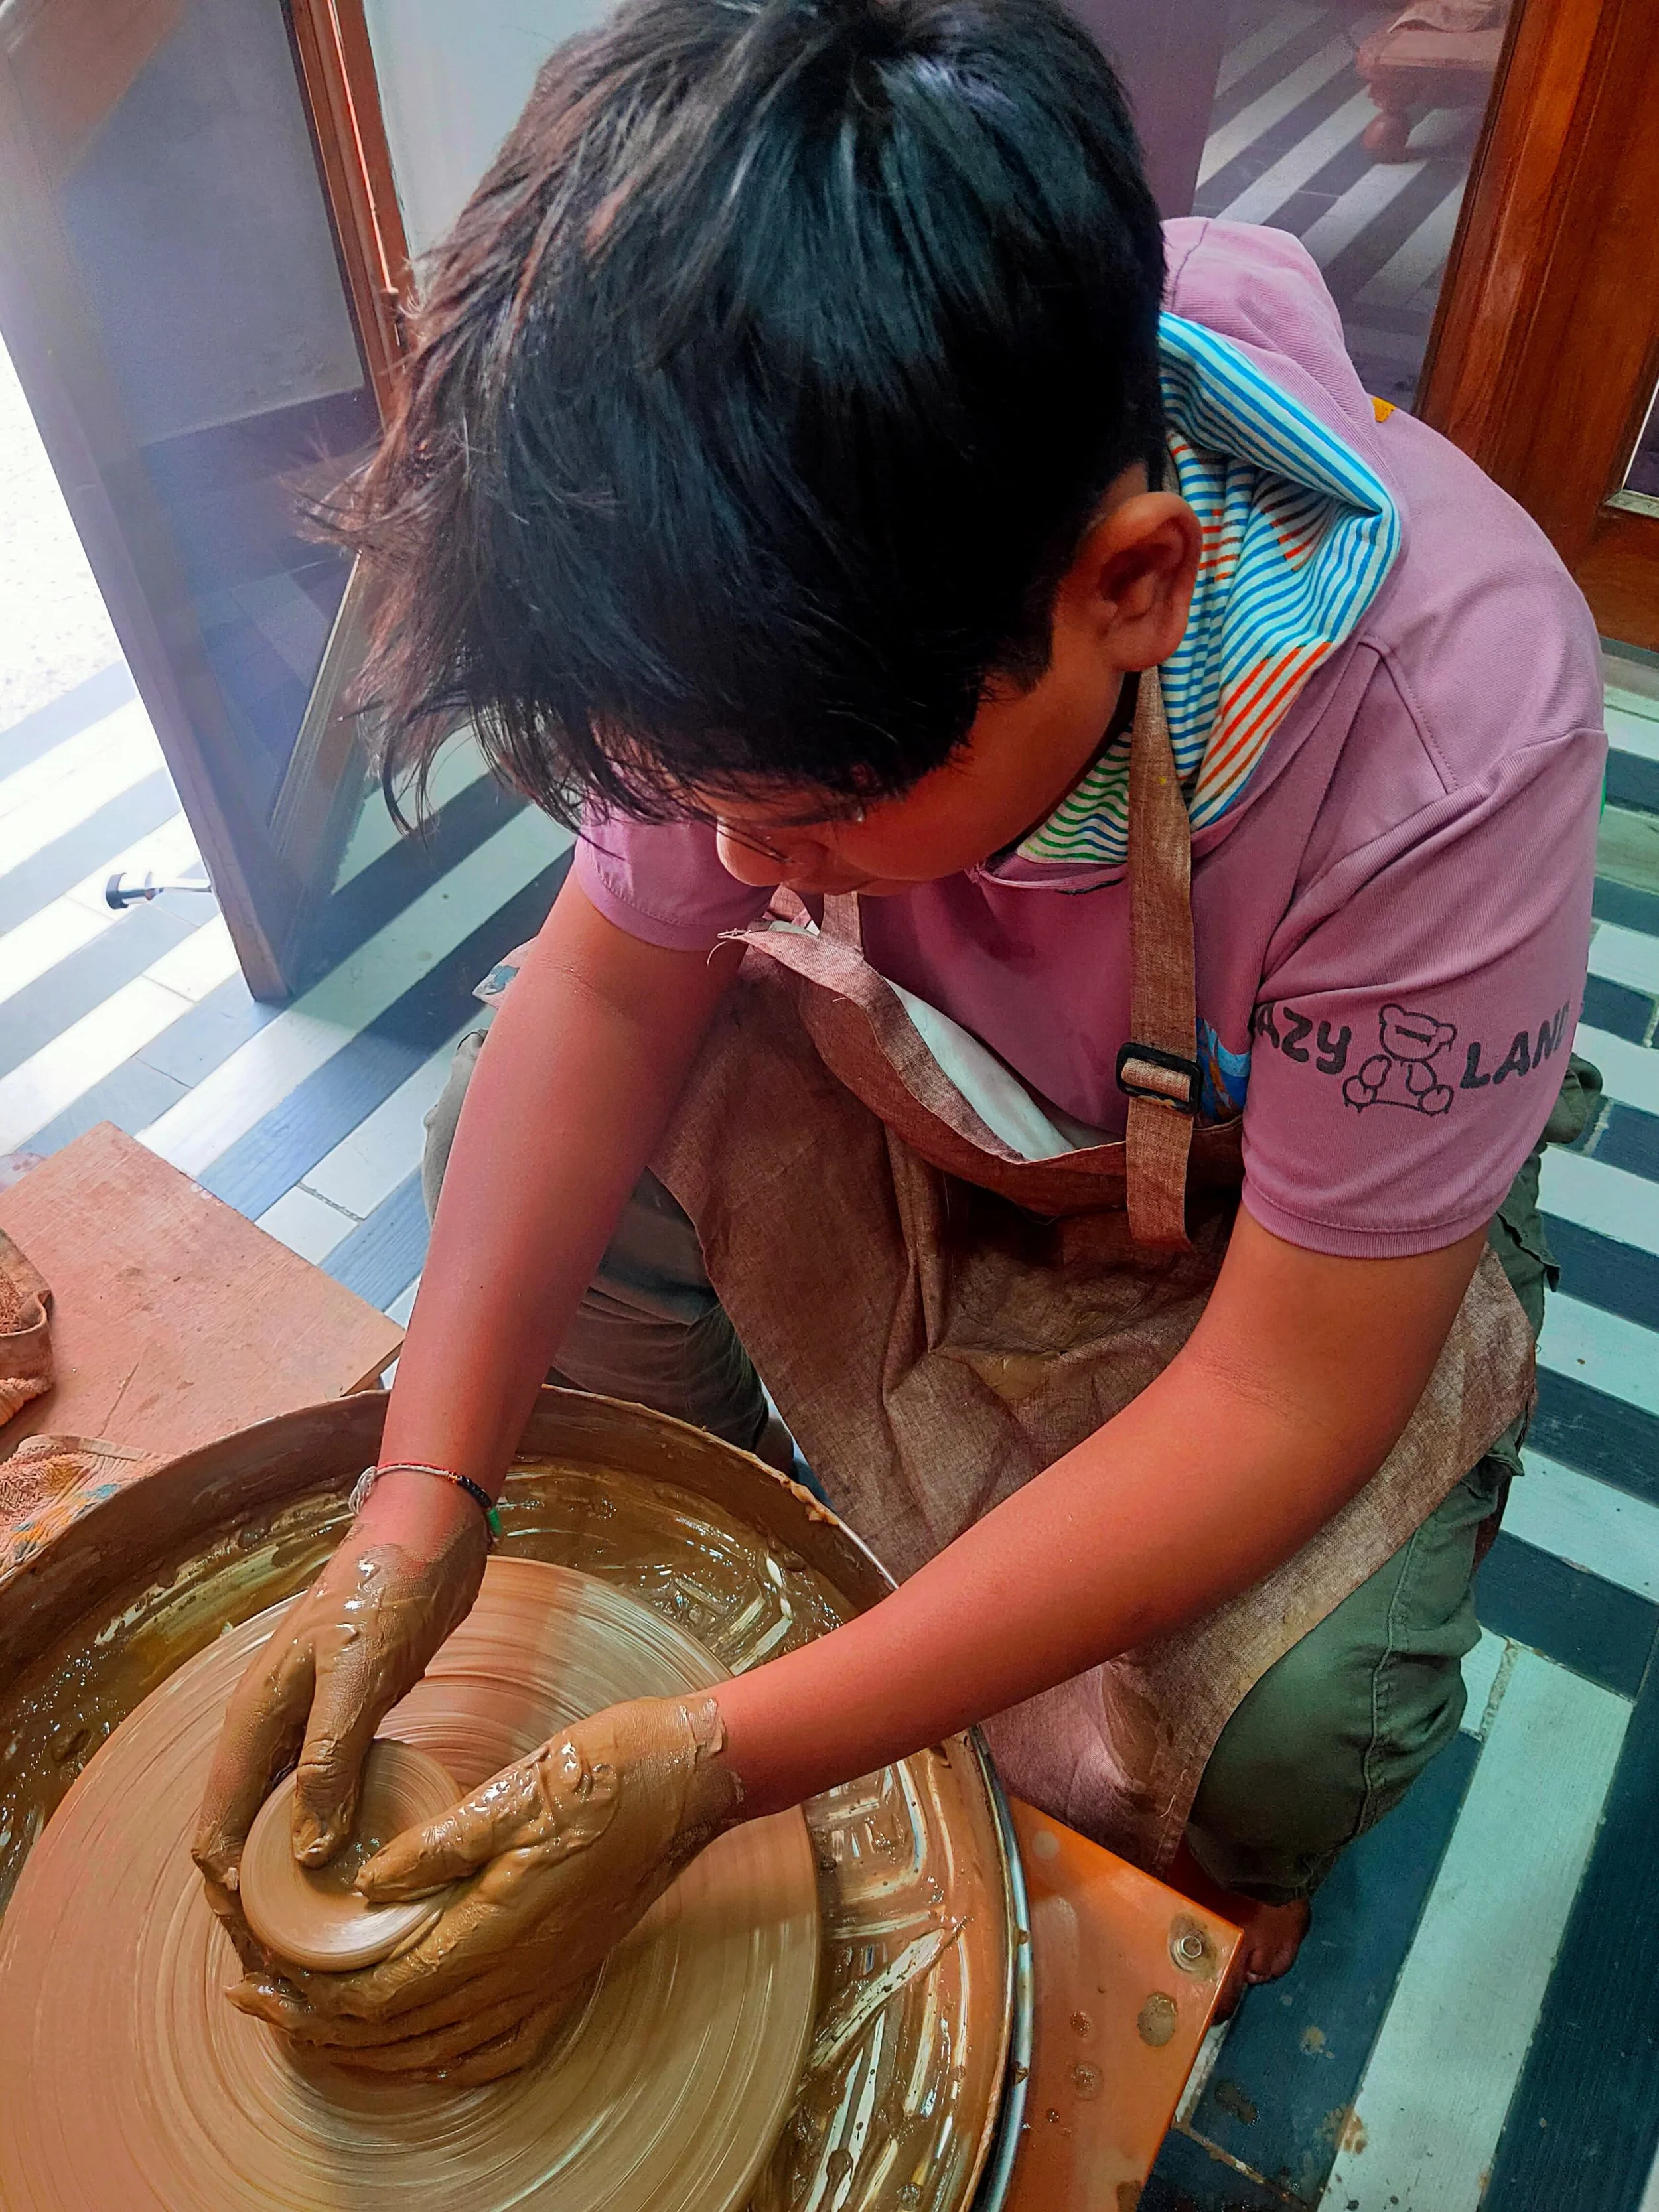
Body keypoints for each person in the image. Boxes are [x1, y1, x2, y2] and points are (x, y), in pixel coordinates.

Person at [193, 0, 1605, 2080]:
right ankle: (743, 1591)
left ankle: (1166, 1836)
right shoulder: (756, 542)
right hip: (942, 1073)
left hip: (1271, 1238)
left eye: (802, 813)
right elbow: (605, 985)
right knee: (517, 1145)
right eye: (690, 797)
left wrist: (712, 1772)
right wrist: (419, 1496)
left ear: (1130, 586)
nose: (731, 858)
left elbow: (1289, 1389)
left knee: (1285, 1733)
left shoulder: (1443, 728)